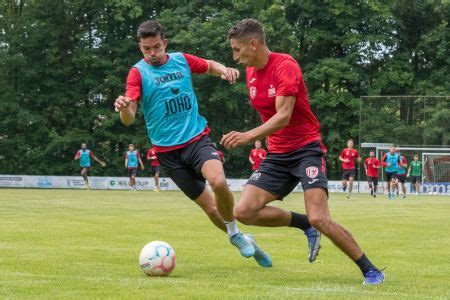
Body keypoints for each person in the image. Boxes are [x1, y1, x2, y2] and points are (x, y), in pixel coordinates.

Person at [222, 18, 384, 284]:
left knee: (321, 217)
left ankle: (371, 270)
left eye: (237, 49)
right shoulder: (251, 72)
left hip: (305, 149)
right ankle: (303, 224)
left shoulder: (285, 66)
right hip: (277, 155)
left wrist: (248, 136)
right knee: (243, 211)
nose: (234, 55)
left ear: (253, 44)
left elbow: (283, 116)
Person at [114, 20, 270, 267]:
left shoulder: (181, 60)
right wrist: (123, 109)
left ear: (165, 43)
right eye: (146, 49)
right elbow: (129, 117)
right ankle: (238, 236)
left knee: (218, 181)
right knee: (210, 208)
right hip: (167, 153)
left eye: (156, 47)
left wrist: (224, 70)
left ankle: (235, 232)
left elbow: (209, 66)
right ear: (140, 48)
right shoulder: (138, 73)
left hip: (196, 139)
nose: (152, 53)